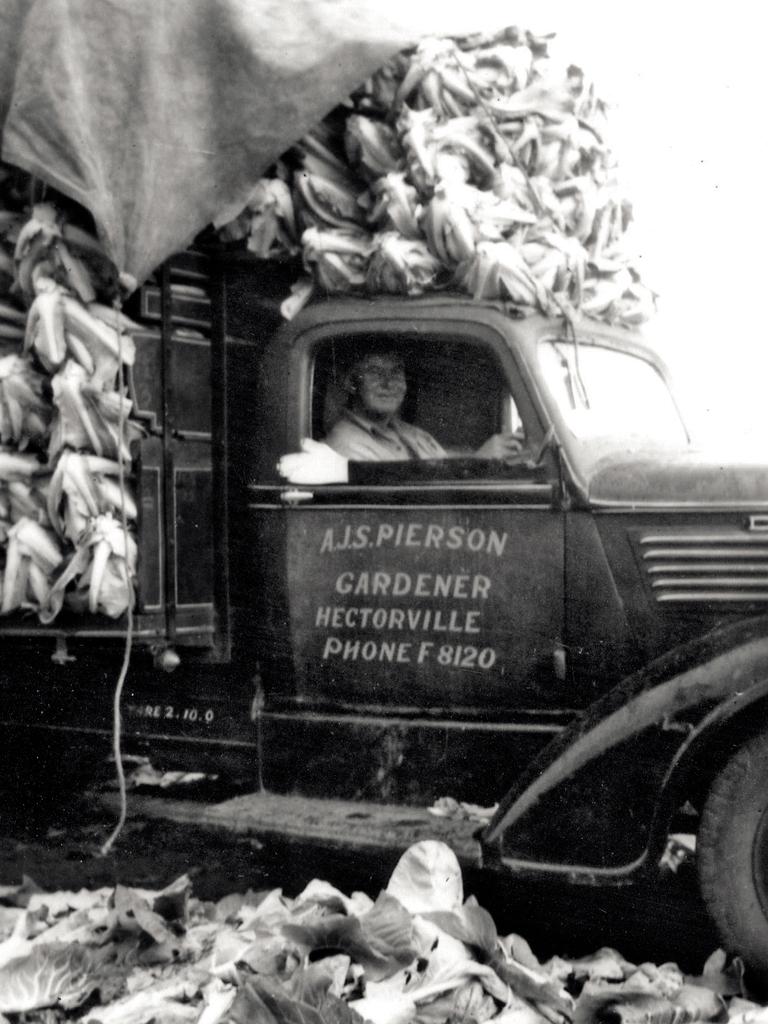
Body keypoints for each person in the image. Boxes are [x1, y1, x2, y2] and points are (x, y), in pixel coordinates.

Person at [323, 349, 524, 461]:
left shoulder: (409, 433)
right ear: (351, 383)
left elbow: (441, 463)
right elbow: (408, 499)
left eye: (396, 372)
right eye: (375, 372)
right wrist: (479, 461)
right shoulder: (345, 445)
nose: (388, 383)